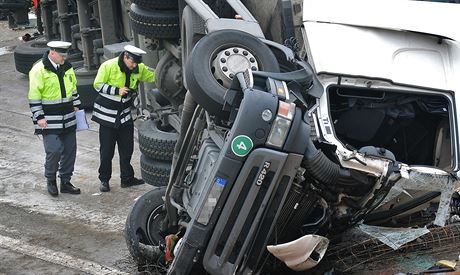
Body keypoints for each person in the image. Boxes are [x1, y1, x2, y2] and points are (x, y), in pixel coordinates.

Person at [92, 45, 155, 192]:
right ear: (125, 56)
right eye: (132, 62)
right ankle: (104, 180)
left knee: (127, 149)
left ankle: (127, 179)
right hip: (107, 117)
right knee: (106, 151)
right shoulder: (108, 66)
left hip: (125, 116)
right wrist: (116, 90)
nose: (134, 66)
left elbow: (154, 75)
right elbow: (97, 84)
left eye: (136, 63)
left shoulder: (138, 68)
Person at [28, 41, 81, 196]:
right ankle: (50, 179)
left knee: (70, 151)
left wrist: (76, 104)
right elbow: (34, 96)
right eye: (61, 55)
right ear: (52, 53)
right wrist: (39, 117)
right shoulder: (39, 70)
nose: (64, 59)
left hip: (68, 117)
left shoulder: (68, 67)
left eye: (65, 55)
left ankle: (65, 181)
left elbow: (73, 88)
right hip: (49, 119)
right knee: (54, 150)